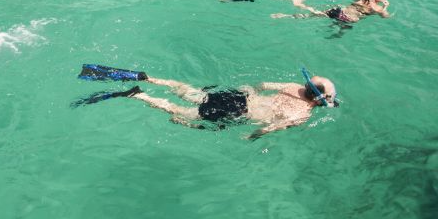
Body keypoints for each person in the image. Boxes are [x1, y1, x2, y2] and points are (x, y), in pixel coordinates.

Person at [85, 70, 338, 139]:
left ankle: (148, 78)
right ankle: (139, 94)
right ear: (318, 98)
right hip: (238, 111)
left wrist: (245, 90)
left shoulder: (292, 86)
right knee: (180, 111)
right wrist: (252, 136)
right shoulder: (303, 114)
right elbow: (271, 128)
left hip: (239, 97)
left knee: (191, 93)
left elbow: (260, 85)